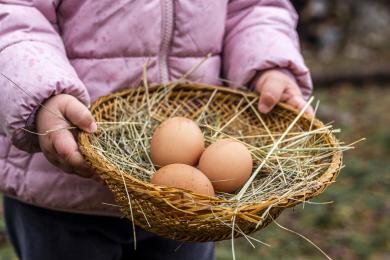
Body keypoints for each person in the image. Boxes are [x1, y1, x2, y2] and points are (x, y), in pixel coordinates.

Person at [0, 1, 313, 259]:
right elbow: (14, 14)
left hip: (188, 210)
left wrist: (268, 64)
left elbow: (254, 8)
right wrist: (41, 93)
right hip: (63, 193)